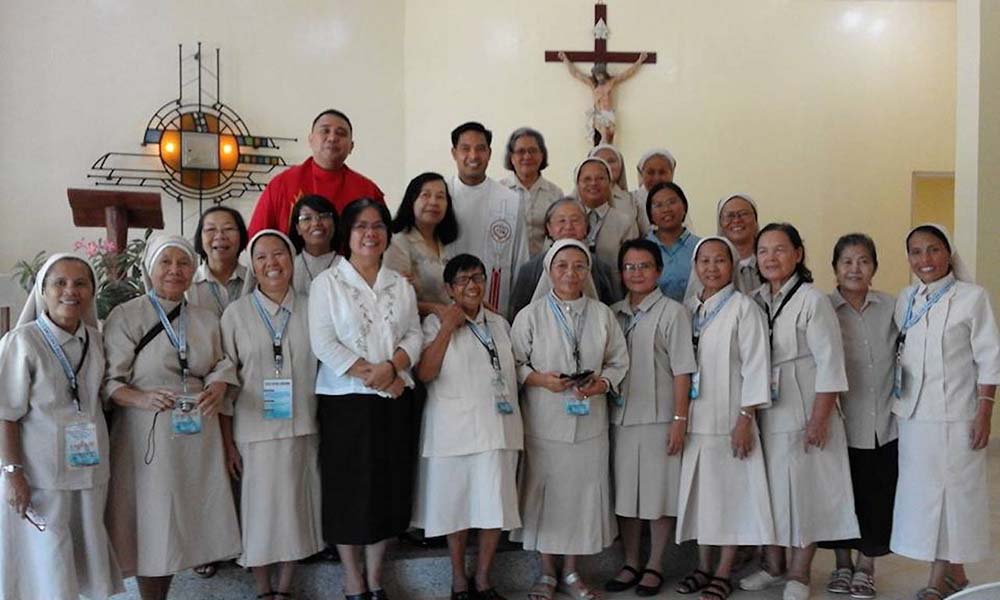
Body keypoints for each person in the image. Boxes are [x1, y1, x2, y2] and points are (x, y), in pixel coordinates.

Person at [103, 234, 241, 600]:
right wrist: (141, 397)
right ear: (150, 268)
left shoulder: (205, 317)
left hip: (196, 432)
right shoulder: (127, 315)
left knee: (188, 518)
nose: (175, 271)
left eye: (183, 263)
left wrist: (218, 385)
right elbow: (110, 382)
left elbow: (222, 362)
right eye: (166, 262)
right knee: (153, 521)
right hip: (147, 435)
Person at [308, 198, 423, 600]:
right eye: (360, 226)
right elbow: (323, 342)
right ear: (347, 233)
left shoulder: (399, 283)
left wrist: (392, 367)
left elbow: (414, 334)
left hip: (394, 398)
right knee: (348, 487)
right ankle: (352, 577)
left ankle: (376, 577)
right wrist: (373, 374)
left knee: (387, 485)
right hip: (346, 401)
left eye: (377, 226)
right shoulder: (327, 283)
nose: (369, 234)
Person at [740, 223, 858, 600]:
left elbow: (831, 364)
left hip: (806, 404)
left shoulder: (812, 300)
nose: (770, 258)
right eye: (763, 251)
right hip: (766, 408)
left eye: (779, 250)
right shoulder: (754, 299)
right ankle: (773, 566)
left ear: (798, 254)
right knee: (770, 490)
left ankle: (800, 572)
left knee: (804, 492)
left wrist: (819, 419)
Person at [510, 239, 629, 600]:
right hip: (544, 423)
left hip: (590, 421)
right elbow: (515, 363)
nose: (571, 273)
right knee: (545, 498)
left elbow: (618, 361)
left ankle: (574, 572)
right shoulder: (530, 316)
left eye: (579, 266)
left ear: (588, 272)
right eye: (562, 265)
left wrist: (603, 383)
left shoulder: (602, 314)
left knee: (581, 498)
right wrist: (541, 380)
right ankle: (547, 574)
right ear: (549, 270)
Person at [0, 254, 123, 600]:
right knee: (46, 563)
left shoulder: (96, 341)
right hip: (40, 477)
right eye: (60, 283)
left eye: (81, 283)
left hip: (88, 470)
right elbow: (5, 413)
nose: (71, 291)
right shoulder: (22, 342)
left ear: (92, 291)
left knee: (84, 560)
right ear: (43, 290)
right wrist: (13, 474)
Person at [890, 224, 999, 600]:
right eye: (916, 252)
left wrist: (984, 411)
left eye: (933, 250)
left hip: (956, 415)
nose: (925, 259)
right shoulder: (906, 299)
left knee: (952, 496)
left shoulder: (972, 298)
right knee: (923, 497)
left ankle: (938, 578)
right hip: (914, 416)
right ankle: (956, 574)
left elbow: (989, 358)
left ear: (948, 254)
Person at [412, 254, 523, 600]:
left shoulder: (500, 324)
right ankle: (459, 579)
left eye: (477, 277)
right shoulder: (432, 324)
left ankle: (484, 579)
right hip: (451, 431)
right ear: (449, 288)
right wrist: (447, 326)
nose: (471, 285)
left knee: (494, 507)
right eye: (462, 280)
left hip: (496, 428)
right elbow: (425, 374)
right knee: (455, 509)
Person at [220, 230, 323, 599]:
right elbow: (225, 379)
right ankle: (263, 589)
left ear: (292, 260)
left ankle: (285, 589)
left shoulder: (315, 307)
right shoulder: (235, 314)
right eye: (261, 257)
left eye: (279, 254)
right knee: (258, 515)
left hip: (303, 426)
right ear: (253, 265)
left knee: (295, 510)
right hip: (253, 432)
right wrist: (227, 441)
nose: (271, 263)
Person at [673, 236, 775, 600]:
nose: (711, 268)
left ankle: (722, 570)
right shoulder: (688, 309)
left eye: (719, 261)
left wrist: (746, 418)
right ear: (695, 267)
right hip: (696, 421)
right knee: (702, 498)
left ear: (732, 266)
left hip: (732, 420)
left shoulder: (744, 308)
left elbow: (756, 366)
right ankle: (702, 565)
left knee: (731, 498)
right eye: (704, 261)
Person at [605, 239, 696, 597]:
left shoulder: (673, 313)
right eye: (630, 267)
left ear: (658, 271)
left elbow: (682, 372)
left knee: (658, 497)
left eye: (644, 266)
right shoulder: (612, 313)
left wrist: (679, 419)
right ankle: (630, 562)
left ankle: (655, 564)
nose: (637, 273)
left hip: (659, 419)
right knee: (626, 498)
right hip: (619, 419)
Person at [817, 233, 898, 599]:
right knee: (840, 496)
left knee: (877, 497)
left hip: (882, 421)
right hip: (839, 421)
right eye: (847, 261)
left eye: (863, 260)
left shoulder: (892, 308)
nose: (855, 268)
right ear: (835, 268)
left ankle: (867, 566)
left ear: (874, 267)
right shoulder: (821, 308)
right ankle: (842, 564)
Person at [248, 109, 384, 237]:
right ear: (311, 140)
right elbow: (257, 241)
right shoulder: (281, 185)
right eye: (325, 131)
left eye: (341, 133)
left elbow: (383, 241)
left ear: (351, 146)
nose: (332, 138)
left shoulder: (368, 191)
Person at [447, 122, 529, 318]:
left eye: (480, 149)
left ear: (489, 153)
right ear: (454, 153)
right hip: (449, 311)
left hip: (496, 309)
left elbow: (521, 261)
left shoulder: (509, 200)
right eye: (465, 149)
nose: (473, 156)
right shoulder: (442, 196)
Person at [509, 197, 621, 317]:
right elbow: (517, 314)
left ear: (586, 227)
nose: (568, 227)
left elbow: (612, 312)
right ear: (549, 228)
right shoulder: (530, 270)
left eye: (575, 220)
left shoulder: (602, 268)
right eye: (561, 221)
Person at [385, 172, 460, 317]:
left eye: (440, 197)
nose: (433, 202)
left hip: (448, 323)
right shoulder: (398, 243)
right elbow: (393, 299)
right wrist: (435, 309)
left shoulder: (447, 245)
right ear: (412, 200)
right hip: (415, 327)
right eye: (426, 195)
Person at [499, 127, 565, 258]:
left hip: (545, 265)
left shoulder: (555, 194)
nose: (527, 156)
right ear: (511, 157)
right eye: (520, 151)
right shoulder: (499, 191)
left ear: (542, 155)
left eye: (533, 151)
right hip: (506, 263)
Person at [557, 51, 648, 145]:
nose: (599, 77)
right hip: (598, 114)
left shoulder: (610, 83)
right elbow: (576, 74)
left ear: (604, 74)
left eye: (601, 74)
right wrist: (565, 60)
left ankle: (606, 147)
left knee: (611, 135)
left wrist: (639, 61)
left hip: (609, 113)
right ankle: (601, 145)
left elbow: (627, 74)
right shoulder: (593, 85)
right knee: (603, 133)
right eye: (597, 75)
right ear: (594, 75)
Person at [574, 156, 639, 286]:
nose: (593, 183)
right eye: (587, 179)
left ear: (610, 183)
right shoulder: (568, 220)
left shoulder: (624, 222)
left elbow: (633, 263)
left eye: (600, 178)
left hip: (614, 291)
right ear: (577, 184)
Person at [188, 206, 249, 317]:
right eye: (211, 229)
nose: (220, 236)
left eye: (229, 229)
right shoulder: (188, 284)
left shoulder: (255, 282)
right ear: (200, 238)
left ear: (241, 235)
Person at [644, 182, 700, 302]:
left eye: (672, 202)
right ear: (650, 214)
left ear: (684, 207)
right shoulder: (641, 250)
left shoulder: (700, 247)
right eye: (658, 205)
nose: (666, 209)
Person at [288, 194, 339, 296]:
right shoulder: (289, 266)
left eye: (323, 216)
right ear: (298, 228)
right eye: (307, 218)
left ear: (334, 224)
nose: (316, 223)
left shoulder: (347, 266)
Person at [630, 148, 677, 234]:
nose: (657, 178)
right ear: (642, 174)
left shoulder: (677, 200)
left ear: (672, 174)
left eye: (662, 172)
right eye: (650, 172)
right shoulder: (632, 201)